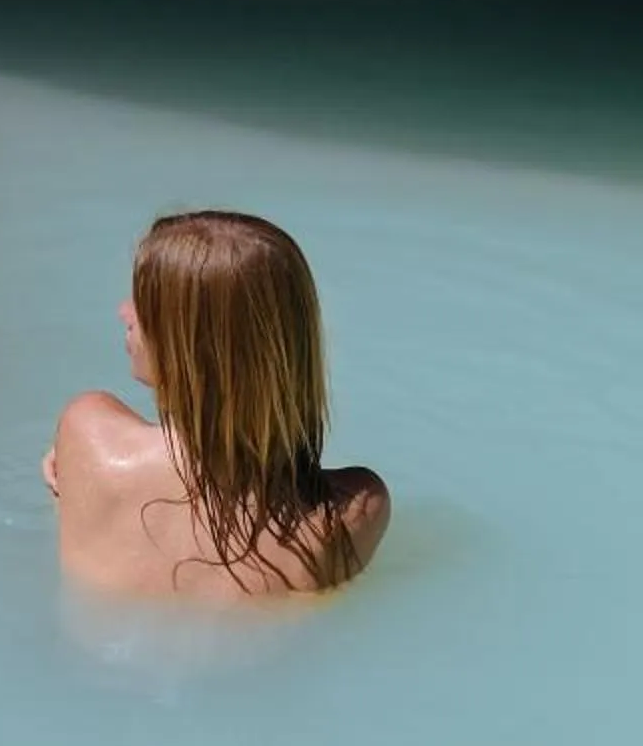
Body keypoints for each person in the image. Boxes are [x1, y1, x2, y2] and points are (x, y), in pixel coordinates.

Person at [43, 210, 389, 599]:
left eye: (145, 304)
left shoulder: (88, 433)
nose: (125, 312)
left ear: (190, 345)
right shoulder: (351, 513)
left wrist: (71, 465)